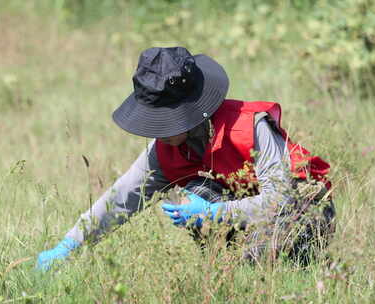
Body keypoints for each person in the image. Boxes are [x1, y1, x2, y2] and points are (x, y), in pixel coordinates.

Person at [36, 47, 335, 271]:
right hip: (245, 209)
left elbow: (280, 200)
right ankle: (228, 266)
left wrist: (217, 214)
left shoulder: (250, 127)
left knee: (260, 264)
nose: (158, 130)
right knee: (196, 193)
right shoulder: (164, 148)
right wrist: (69, 245)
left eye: (163, 120)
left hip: (303, 206)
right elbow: (122, 197)